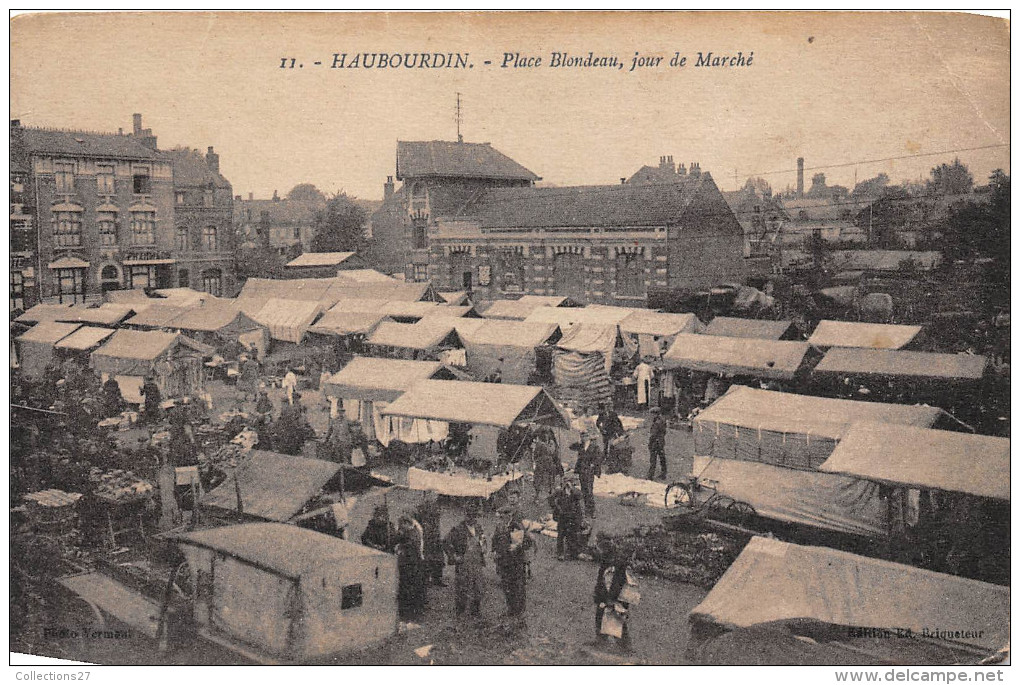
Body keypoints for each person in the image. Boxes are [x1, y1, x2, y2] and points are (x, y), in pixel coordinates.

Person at [443, 504, 487, 617]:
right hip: (463, 563)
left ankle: (475, 611)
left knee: (478, 587)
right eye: (469, 516)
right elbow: (445, 543)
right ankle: (460, 611)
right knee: (462, 587)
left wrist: (484, 548)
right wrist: (453, 556)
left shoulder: (478, 527)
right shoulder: (458, 529)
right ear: (465, 515)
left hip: (476, 562)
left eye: (474, 516)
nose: (471, 518)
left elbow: (483, 541)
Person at [492, 507, 535, 619]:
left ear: (510, 515)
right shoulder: (499, 527)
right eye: (500, 516)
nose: (502, 518)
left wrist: (518, 546)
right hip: (504, 561)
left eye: (505, 515)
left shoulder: (517, 525)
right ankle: (511, 609)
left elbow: (528, 542)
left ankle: (520, 612)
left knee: (518, 587)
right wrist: (494, 551)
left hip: (516, 562)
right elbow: (494, 540)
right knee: (507, 586)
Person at [593, 535, 634, 652]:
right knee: (600, 615)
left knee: (617, 618)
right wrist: (599, 595)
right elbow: (601, 580)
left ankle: (625, 645)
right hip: (605, 593)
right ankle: (601, 639)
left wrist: (611, 598)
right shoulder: (605, 562)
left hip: (616, 596)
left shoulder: (619, 564)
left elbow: (618, 583)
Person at [396, 514, 428, 620]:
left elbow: (411, 546)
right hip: (412, 563)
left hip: (413, 564)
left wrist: (401, 547)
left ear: (406, 523)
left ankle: (412, 611)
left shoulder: (413, 533)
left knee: (411, 587)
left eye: (402, 525)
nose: (400, 528)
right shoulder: (410, 531)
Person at [414, 491, 446, 587]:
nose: (433, 497)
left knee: (438, 558)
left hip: (435, 535)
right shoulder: (420, 508)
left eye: (434, 495)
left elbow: (438, 517)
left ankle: (437, 578)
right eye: (430, 495)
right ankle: (426, 578)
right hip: (426, 536)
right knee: (427, 557)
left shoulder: (436, 507)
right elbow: (417, 521)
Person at [550, 479, 585, 561]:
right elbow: (551, 499)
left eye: (569, 482)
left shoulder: (575, 492)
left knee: (572, 533)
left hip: (573, 516)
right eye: (565, 482)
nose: (567, 484)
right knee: (561, 535)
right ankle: (560, 553)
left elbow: (580, 496)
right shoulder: (559, 491)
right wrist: (556, 508)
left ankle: (573, 552)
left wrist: (572, 488)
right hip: (562, 516)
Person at [574, 429, 602, 518]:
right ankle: (587, 510)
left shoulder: (594, 446)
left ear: (588, 437)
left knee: (589, 490)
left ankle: (592, 510)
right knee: (584, 491)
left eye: (585, 436)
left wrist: (593, 464)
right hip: (582, 470)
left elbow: (598, 458)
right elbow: (571, 447)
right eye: (582, 436)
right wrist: (578, 442)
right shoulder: (581, 445)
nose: (583, 438)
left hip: (589, 471)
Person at [647, 407, 668, 481]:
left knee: (653, 459)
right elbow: (664, 431)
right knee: (662, 458)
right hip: (661, 442)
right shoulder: (662, 420)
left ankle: (650, 475)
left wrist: (650, 443)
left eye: (652, 414)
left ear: (655, 414)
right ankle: (664, 473)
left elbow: (653, 434)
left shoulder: (656, 423)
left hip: (655, 443)